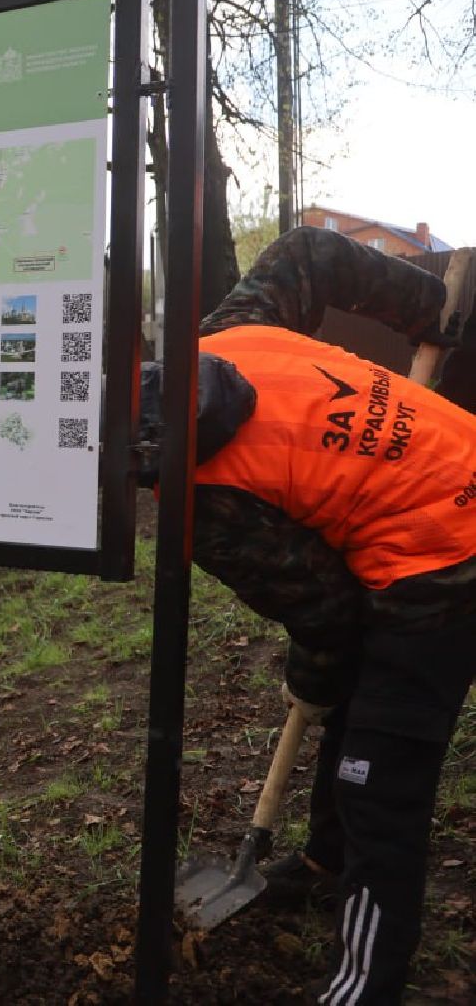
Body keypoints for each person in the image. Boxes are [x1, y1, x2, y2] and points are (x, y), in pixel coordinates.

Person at [138, 226, 476, 1005]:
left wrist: (311, 680)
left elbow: (328, 617)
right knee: (356, 705)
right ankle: (326, 859)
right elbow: (309, 253)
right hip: (459, 467)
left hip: (442, 566)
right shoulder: (231, 331)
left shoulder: (203, 505)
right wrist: (430, 311)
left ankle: (363, 986)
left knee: (379, 783)